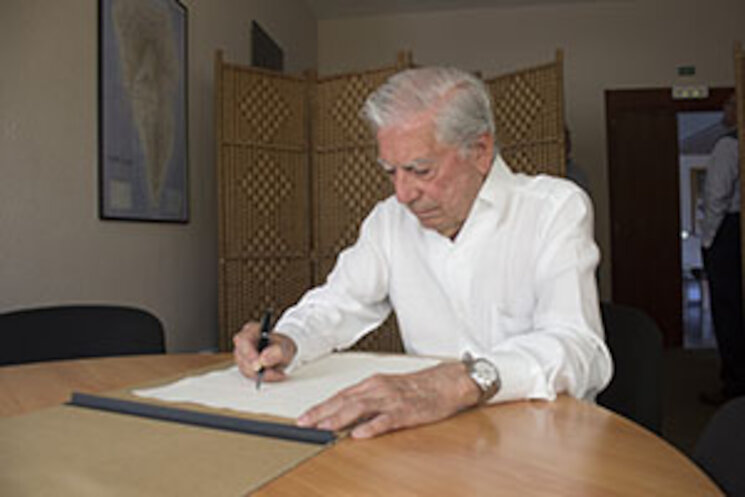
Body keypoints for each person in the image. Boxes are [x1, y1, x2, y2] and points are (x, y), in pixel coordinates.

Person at [233, 66, 613, 438]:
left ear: (480, 150)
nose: (403, 194)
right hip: (434, 438)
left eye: (420, 170)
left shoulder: (553, 209)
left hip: (541, 438)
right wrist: (288, 340)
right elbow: (337, 303)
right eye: (390, 172)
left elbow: (581, 350)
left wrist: (462, 381)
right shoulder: (389, 221)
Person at [700, 93, 745, 405]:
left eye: (729, 104)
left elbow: (716, 196)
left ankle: (734, 384)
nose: (724, 109)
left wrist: (708, 240)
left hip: (728, 231)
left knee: (728, 311)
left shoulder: (728, 146)